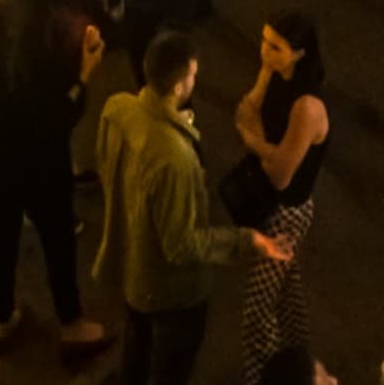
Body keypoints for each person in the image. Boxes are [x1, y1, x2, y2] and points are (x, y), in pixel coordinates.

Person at [94, 32, 283, 385]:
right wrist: (247, 240)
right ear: (180, 85)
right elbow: (181, 245)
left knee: (136, 348)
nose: (195, 80)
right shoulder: (174, 159)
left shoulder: (117, 109)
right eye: (193, 74)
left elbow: (108, 171)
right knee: (170, 368)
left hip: (133, 269)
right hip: (171, 292)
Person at [0, 0, 107, 358]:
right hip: (40, 163)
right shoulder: (52, 39)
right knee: (58, 239)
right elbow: (62, 115)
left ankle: (3, 317)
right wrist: (85, 73)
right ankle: (72, 324)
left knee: (4, 232)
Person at [222, 13, 331, 374]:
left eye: (276, 47)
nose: (265, 52)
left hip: (286, 214)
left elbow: (281, 176)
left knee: (257, 312)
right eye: (264, 41)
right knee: (285, 291)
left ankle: (268, 376)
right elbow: (247, 107)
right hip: (270, 201)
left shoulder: (307, 107)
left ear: (299, 54)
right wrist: (269, 147)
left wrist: (254, 141)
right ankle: (301, 360)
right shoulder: (275, 73)